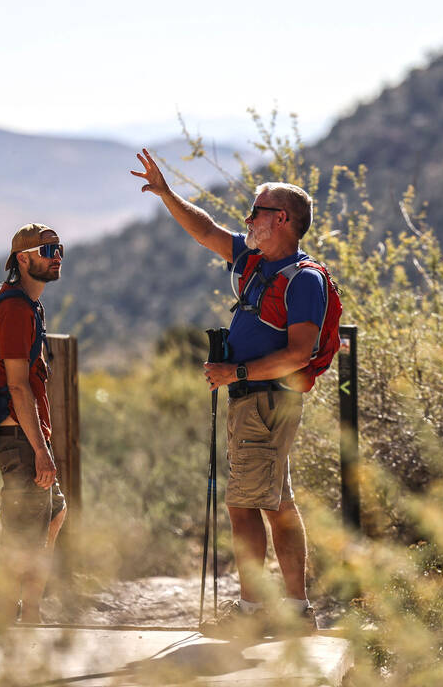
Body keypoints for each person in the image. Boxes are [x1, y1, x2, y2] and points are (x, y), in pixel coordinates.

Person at [130, 149, 325, 631]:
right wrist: (168, 194)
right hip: (259, 402)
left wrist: (236, 374)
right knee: (276, 503)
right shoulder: (255, 261)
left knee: (244, 506)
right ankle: (294, 612)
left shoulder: (304, 280)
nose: (246, 219)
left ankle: (256, 615)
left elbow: (301, 352)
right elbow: (205, 230)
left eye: (255, 211)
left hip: (264, 401)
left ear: (281, 219)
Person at [0, 222, 67, 623]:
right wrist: (40, 451)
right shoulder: (16, 310)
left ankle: (26, 610)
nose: (57, 258)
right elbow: (18, 388)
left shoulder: (27, 305)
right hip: (19, 436)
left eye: (59, 249)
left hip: (25, 434)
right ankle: (12, 618)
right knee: (26, 531)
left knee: (51, 514)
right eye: (47, 251)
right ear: (23, 259)